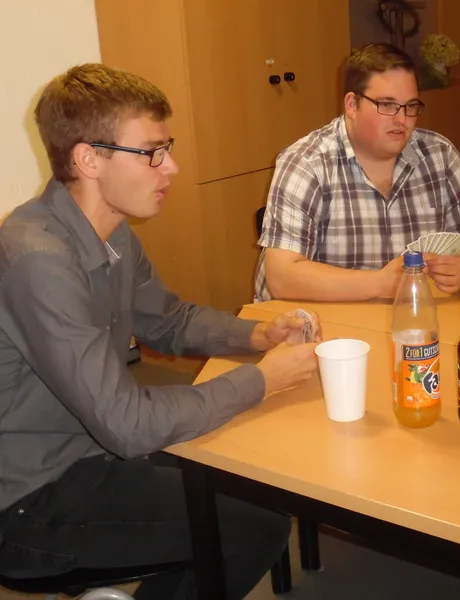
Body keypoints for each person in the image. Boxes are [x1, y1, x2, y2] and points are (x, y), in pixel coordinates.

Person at [0, 64, 322, 600]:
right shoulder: (39, 259)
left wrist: (258, 336)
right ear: (88, 159)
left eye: (165, 148)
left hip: (95, 450)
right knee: (253, 527)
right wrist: (264, 380)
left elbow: (169, 320)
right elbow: (127, 424)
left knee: (260, 480)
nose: (170, 166)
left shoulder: (111, 231)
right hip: (30, 500)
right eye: (151, 152)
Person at [255, 42, 460, 302]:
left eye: (410, 106)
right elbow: (281, 277)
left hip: (411, 312)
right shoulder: (306, 163)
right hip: (320, 319)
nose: (401, 119)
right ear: (352, 104)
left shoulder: (439, 155)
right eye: (387, 105)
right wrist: (381, 284)